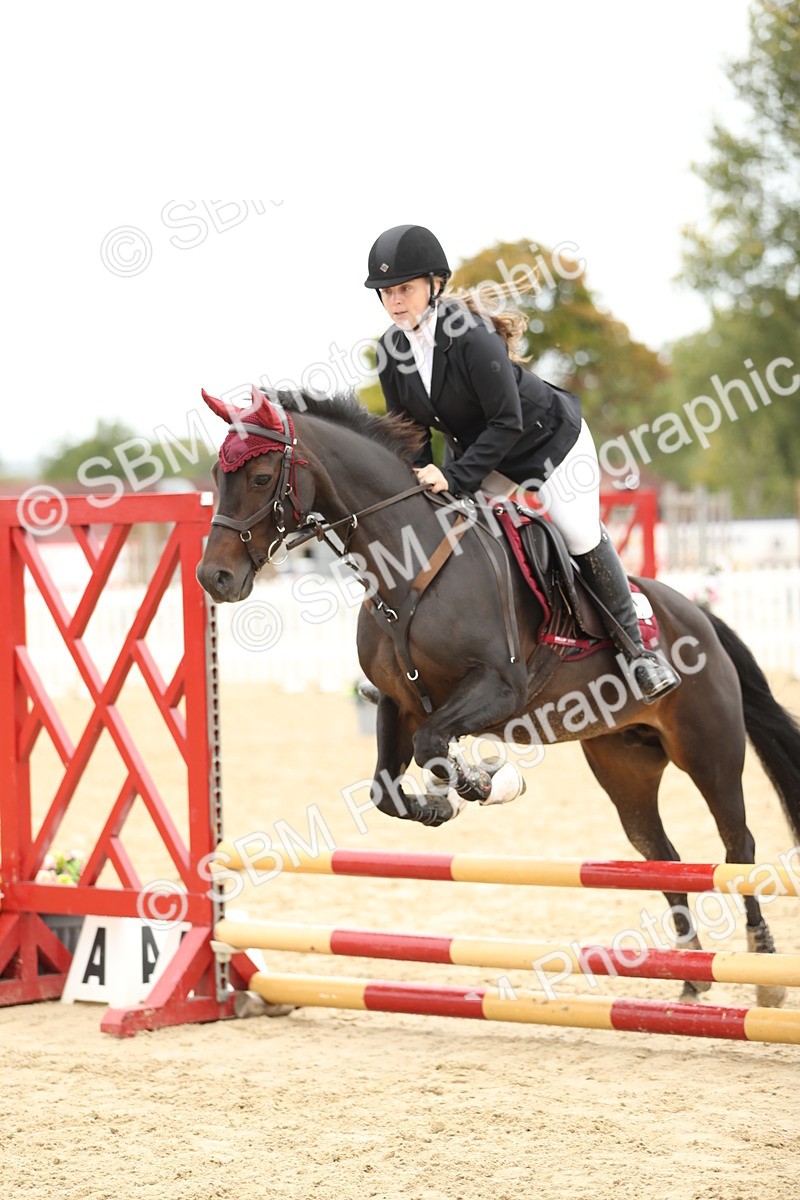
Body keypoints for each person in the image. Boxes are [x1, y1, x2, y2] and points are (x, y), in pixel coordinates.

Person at [364, 223, 680, 703]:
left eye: (404, 289)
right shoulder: (391, 351)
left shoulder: (470, 336)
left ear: (434, 285)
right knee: (443, 536)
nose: (394, 302)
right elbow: (409, 432)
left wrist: (453, 476)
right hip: (479, 452)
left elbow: (507, 422)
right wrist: (422, 484)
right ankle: (415, 661)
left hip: (549, 443)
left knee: (577, 532)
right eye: (386, 293)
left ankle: (637, 654)